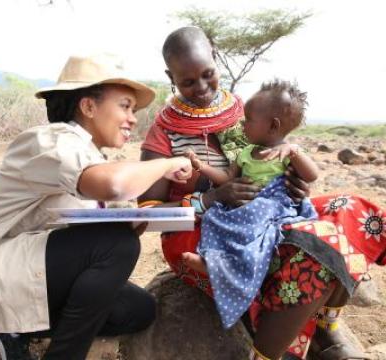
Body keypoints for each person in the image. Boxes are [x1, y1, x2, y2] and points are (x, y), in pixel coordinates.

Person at [0, 56, 193, 360]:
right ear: (89, 107)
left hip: (19, 268)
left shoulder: (85, 152)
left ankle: (16, 329)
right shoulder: (51, 141)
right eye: (125, 106)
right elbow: (116, 185)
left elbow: (70, 229)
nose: (133, 118)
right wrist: (168, 163)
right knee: (118, 245)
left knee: (136, 308)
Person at [139, 26, 383, 360]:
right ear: (171, 77)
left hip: (269, 214)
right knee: (318, 243)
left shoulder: (247, 109)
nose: (201, 88)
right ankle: (278, 350)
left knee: (353, 208)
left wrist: (298, 186)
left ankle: (324, 328)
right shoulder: (163, 132)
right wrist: (210, 199)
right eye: (188, 82)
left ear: (215, 55)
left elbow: (277, 160)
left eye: (208, 75)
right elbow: (148, 214)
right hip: (204, 233)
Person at [185, 80, 320, 330]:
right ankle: (214, 261)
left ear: (273, 126)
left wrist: (295, 152)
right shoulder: (246, 152)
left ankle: (231, 267)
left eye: (247, 119)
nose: (242, 124)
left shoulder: (286, 152)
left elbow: (311, 176)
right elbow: (227, 179)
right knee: (215, 215)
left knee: (258, 218)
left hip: (270, 207)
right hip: (244, 207)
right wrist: (201, 167)